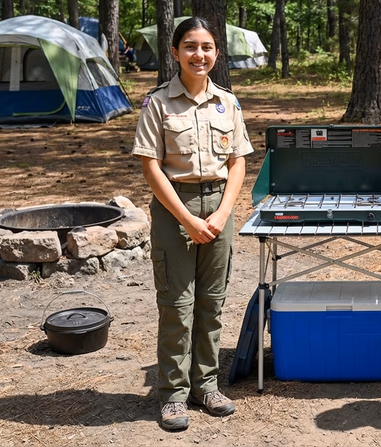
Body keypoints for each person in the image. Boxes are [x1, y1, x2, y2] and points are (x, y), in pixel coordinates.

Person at [131, 17, 254, 431]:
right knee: (177, 306)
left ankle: (207, 386)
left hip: (219, 206)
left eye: (206, 47)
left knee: (211, 304)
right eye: (189, 46)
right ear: (175, 52)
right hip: (174, 209)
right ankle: (172, 396)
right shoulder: (158, 103)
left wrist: (220, 214)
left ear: (216, 53)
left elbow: (238, 162)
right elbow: (151, 166)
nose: (198, 54)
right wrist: (187, 219)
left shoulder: (229, 103)